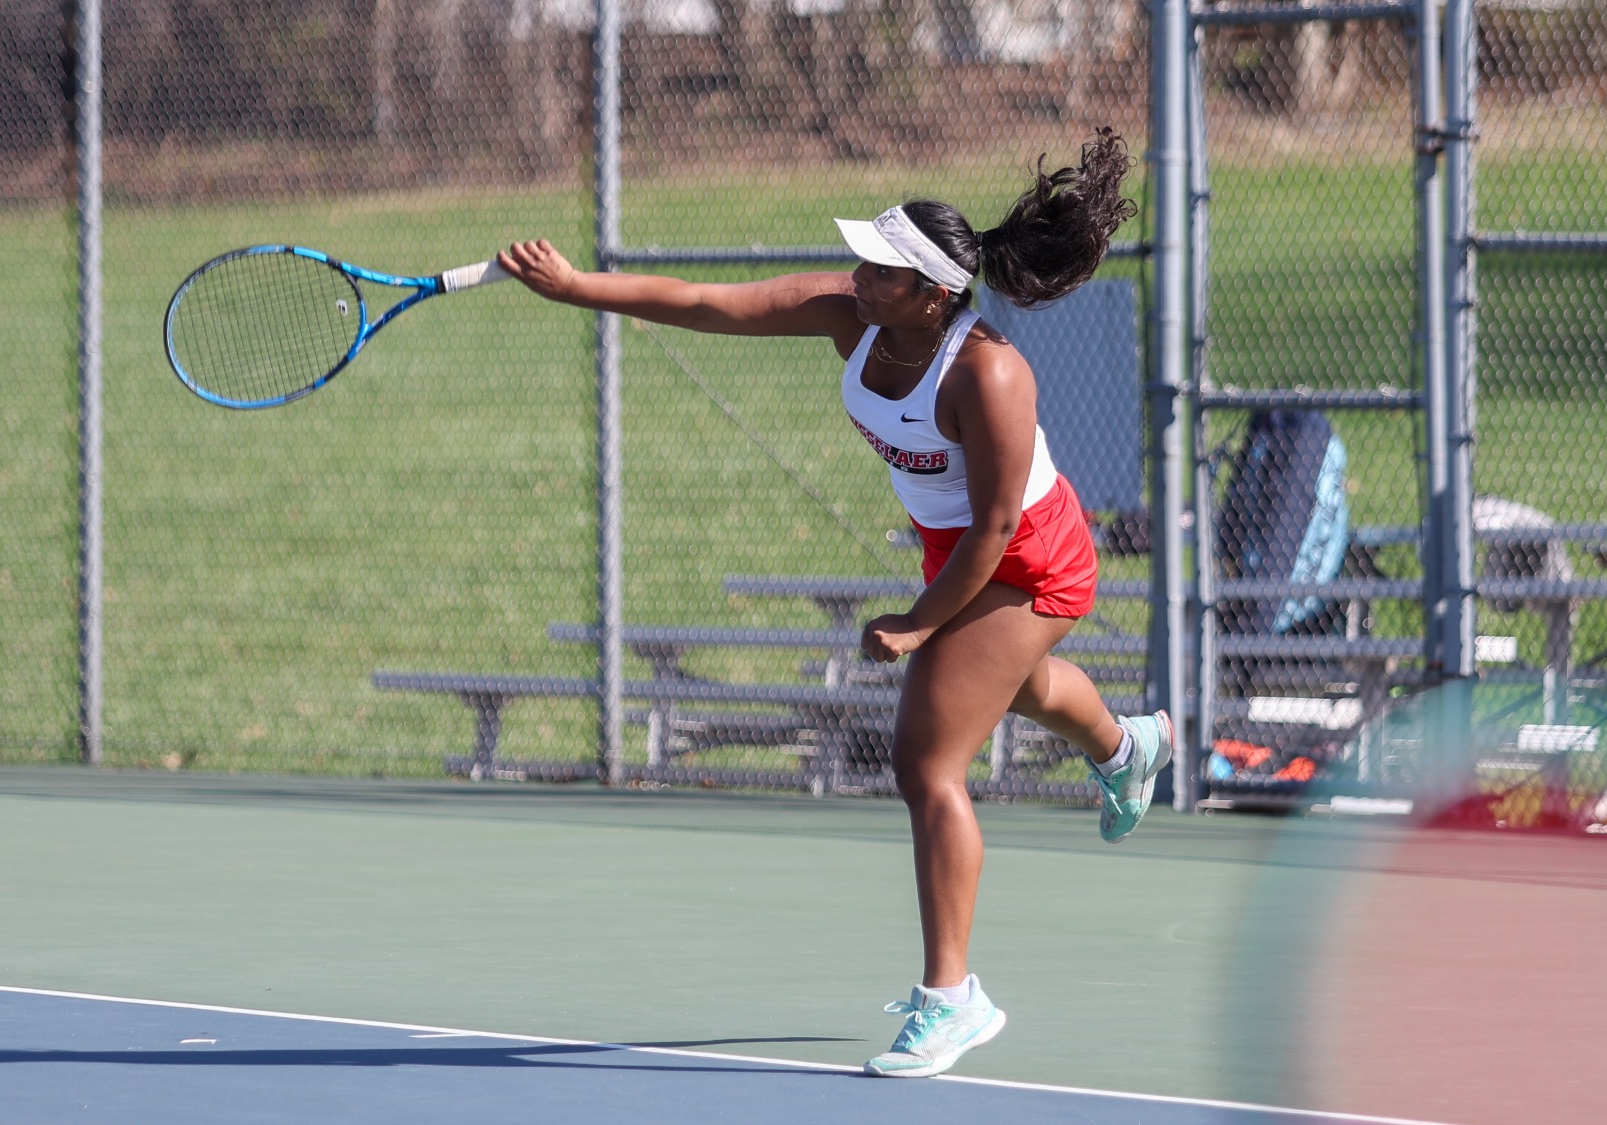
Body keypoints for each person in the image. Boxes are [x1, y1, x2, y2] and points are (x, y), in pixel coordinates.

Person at [494, 128, 1175, 1077]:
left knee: (926, 756)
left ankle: (954, 998)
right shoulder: (849, 314)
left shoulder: (989, 374)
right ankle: (1127, 745)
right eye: (863, 256)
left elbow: (991, 533)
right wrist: (576, 288)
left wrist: (918, 622)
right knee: (1007, 685)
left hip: (1031, 557)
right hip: (963, 546)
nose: (859, 272)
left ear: (934, 294)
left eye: (883, 267)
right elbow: (705, 301)